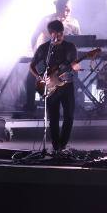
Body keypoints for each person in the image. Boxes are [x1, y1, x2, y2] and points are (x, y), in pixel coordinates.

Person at [29, 20, 81, 152]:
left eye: (60, 34)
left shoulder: (70, 47)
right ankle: (55, 146)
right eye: (55, 34)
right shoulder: (44, 48)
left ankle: (62, 145)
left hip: (67, 85)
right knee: (53, 118)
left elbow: (74, 66)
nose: (58, 37)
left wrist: (75, 67)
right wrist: (39, 77)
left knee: (69, 116)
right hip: (51, 88)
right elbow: (32, 65)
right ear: (49, 34)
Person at [24, 0, 81, 113]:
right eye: (63, 9)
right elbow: (34, 36)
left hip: (64, 61)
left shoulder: (74, 23)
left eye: (68, 10)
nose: (65, 13)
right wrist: (35, 52)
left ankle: (73, 107)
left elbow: (80, 41)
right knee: (30, 80)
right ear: (57, 8)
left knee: (74, 80)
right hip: (47, 58)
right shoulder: (46, 20)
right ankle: (30, 106)